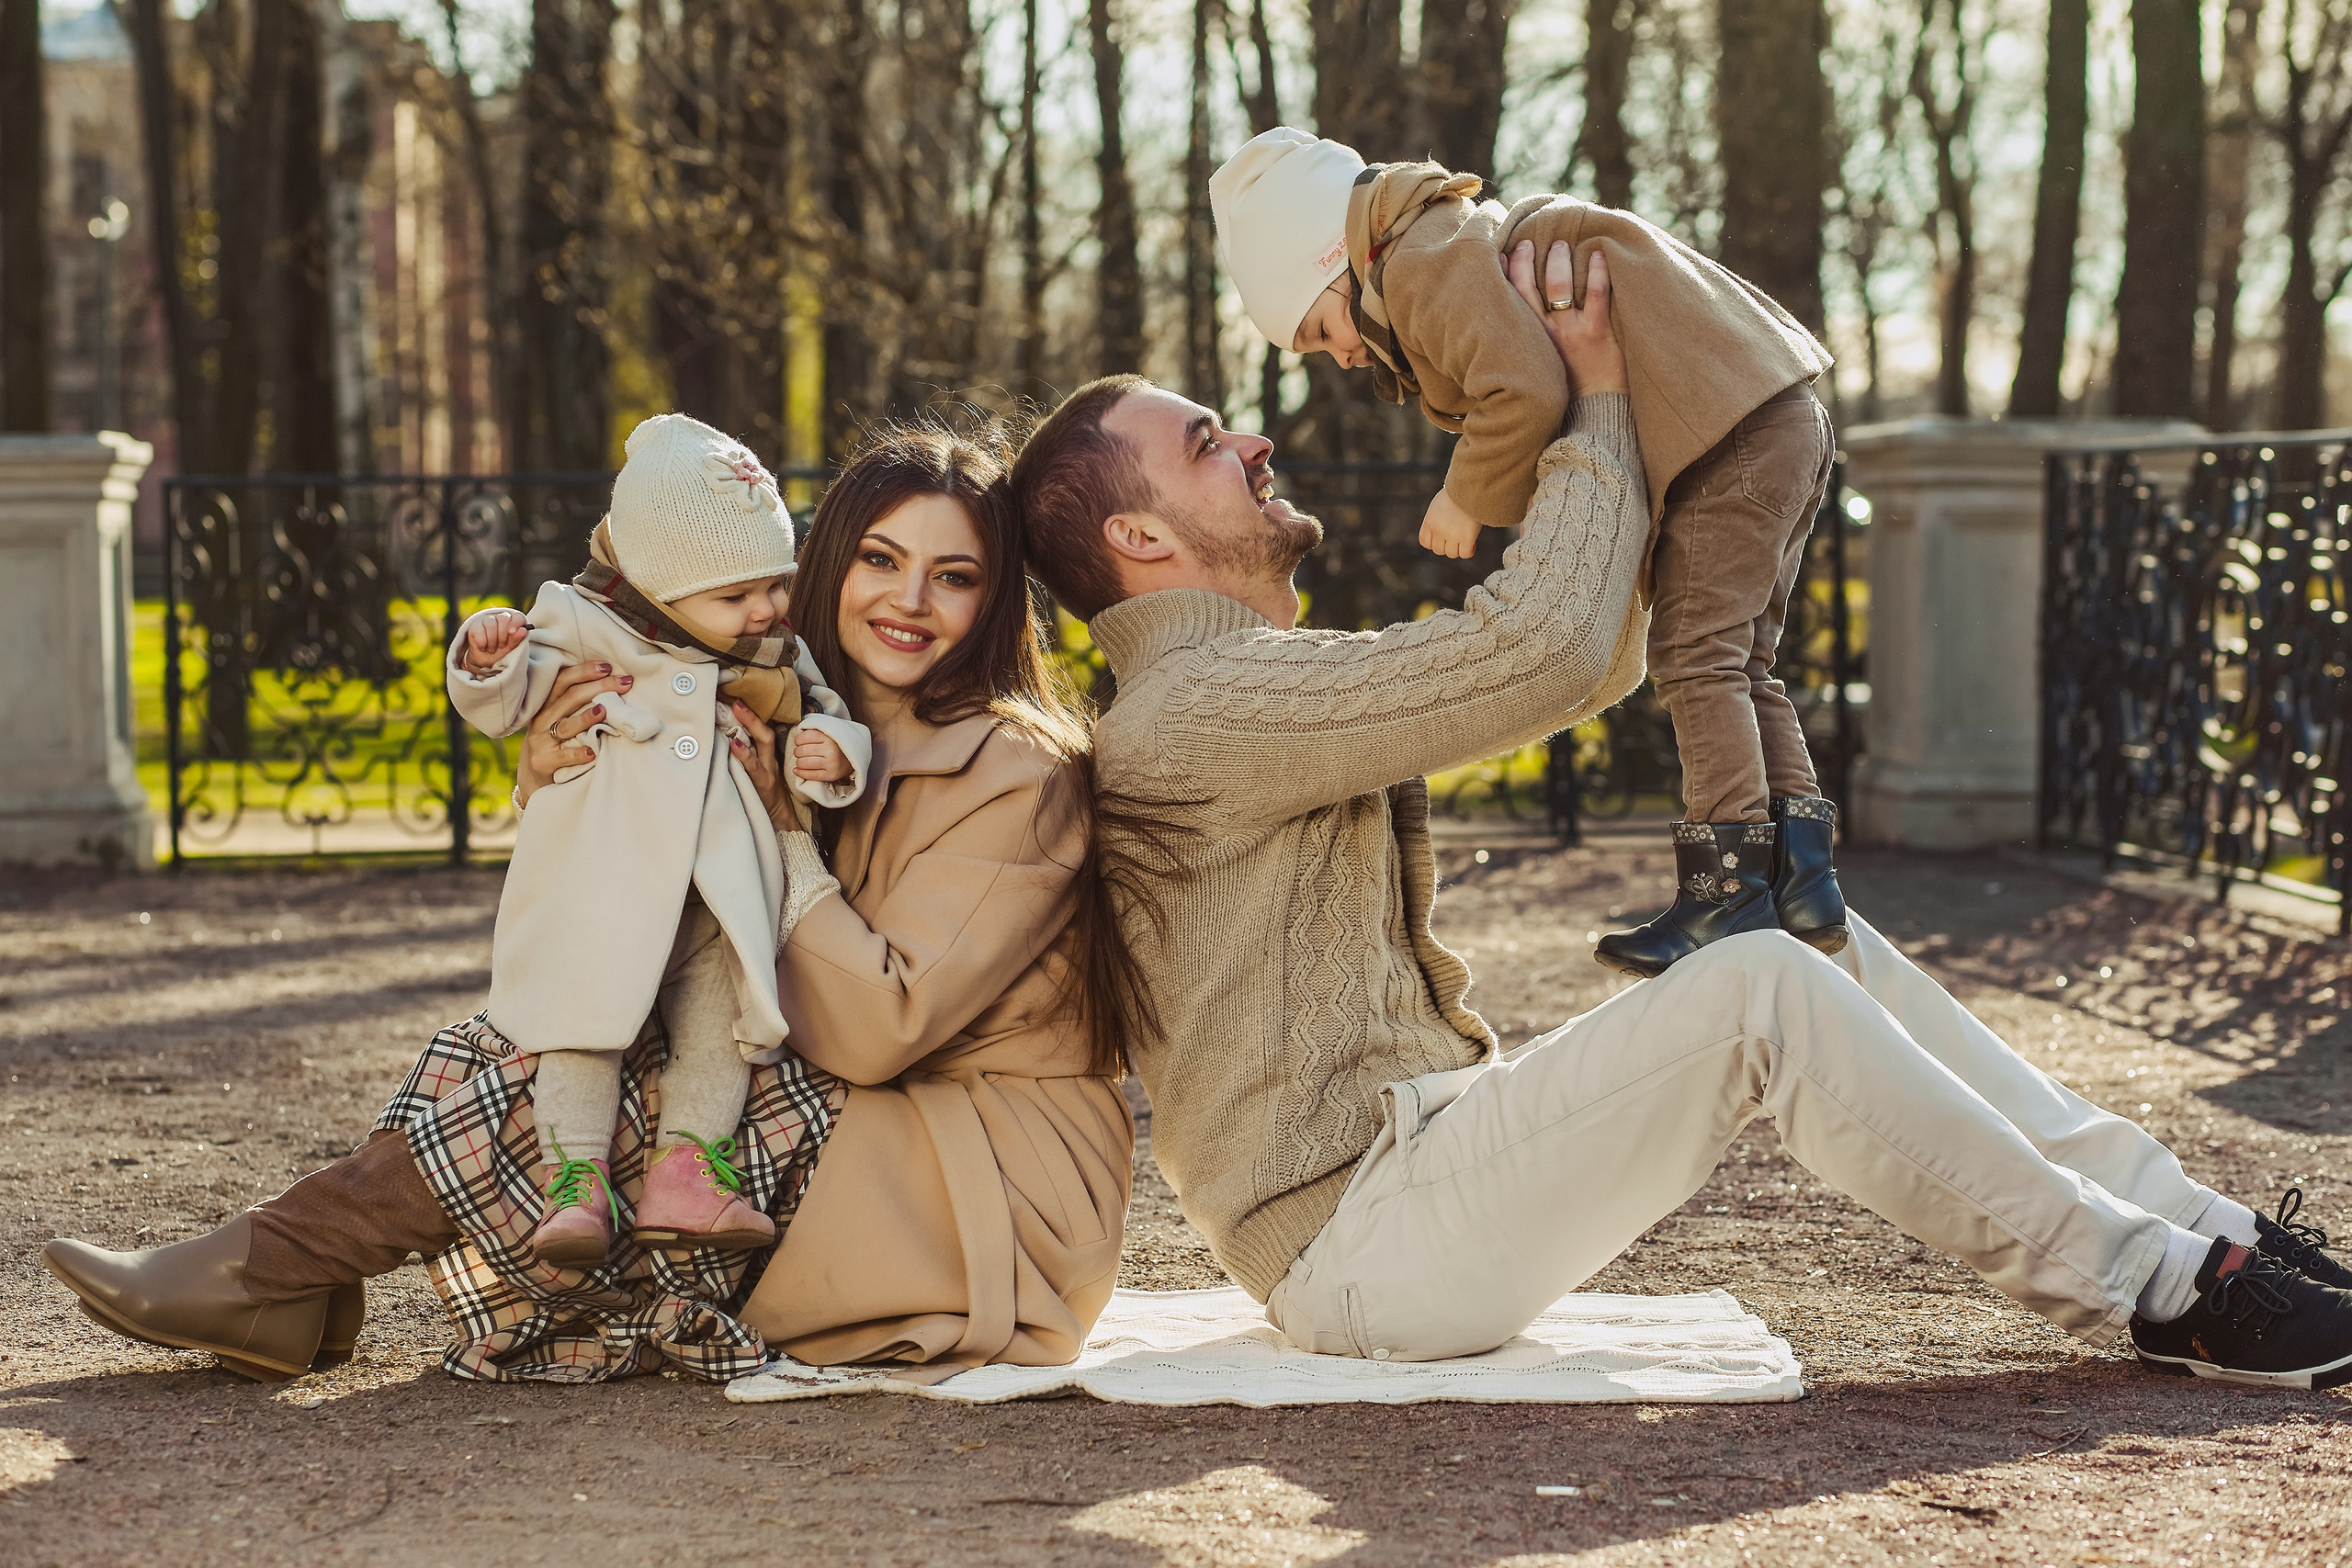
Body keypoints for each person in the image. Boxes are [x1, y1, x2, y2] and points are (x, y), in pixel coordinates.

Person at [1005, 239, 2352, 1391]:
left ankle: (2194, 1220)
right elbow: (1540, 645)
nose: (1250, 437)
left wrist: (1614, 426)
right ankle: (2162, 1287)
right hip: (1361, 1244)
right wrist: (1596, 393)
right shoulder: (1195, 708)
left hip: (1423, 1178)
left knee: (1796, 939)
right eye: (1201, 443)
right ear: (1139, 542)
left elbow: (1588, 653)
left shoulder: (1232, 685)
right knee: (1757, 981)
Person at [41, 424, 1140, 1386]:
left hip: (982, 1169)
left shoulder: (1017, 773)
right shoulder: (786, 696)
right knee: (528, 1030)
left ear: (996, 598)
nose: (908, 599)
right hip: (871, 1102)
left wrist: (795, 838)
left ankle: (271, 1274)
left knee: (567, 1079)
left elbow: (878, 1025)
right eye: (879, 559)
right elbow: (647, 891)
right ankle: (282, 1284)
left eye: (953, 576)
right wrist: (552, 772)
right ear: (819, 567)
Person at [1209, 126, 1845, 978]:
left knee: (1696, 658)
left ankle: (1728, 891)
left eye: (1322, 330)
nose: (1344, 354)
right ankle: (1800, 877)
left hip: (1733, 432)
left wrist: (1465, 496)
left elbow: (1525, 387)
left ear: (1338, 259)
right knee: (1740, 659)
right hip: (1775, 414)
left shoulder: (1419, 262)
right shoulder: (1452, 239)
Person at [447, 412, 870, 1268]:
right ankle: (575, 1183)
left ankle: (689, 1169)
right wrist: (486, 660)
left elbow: (828, 713)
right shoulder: (579, 620)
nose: (766, 608)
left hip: (719, 891)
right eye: (736, 595)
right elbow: (509, 700)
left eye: (775, 582)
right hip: (600, 883)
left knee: (725, 1024)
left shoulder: (773, 649)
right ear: (655, 580)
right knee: (581, 1023)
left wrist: (832, 756)